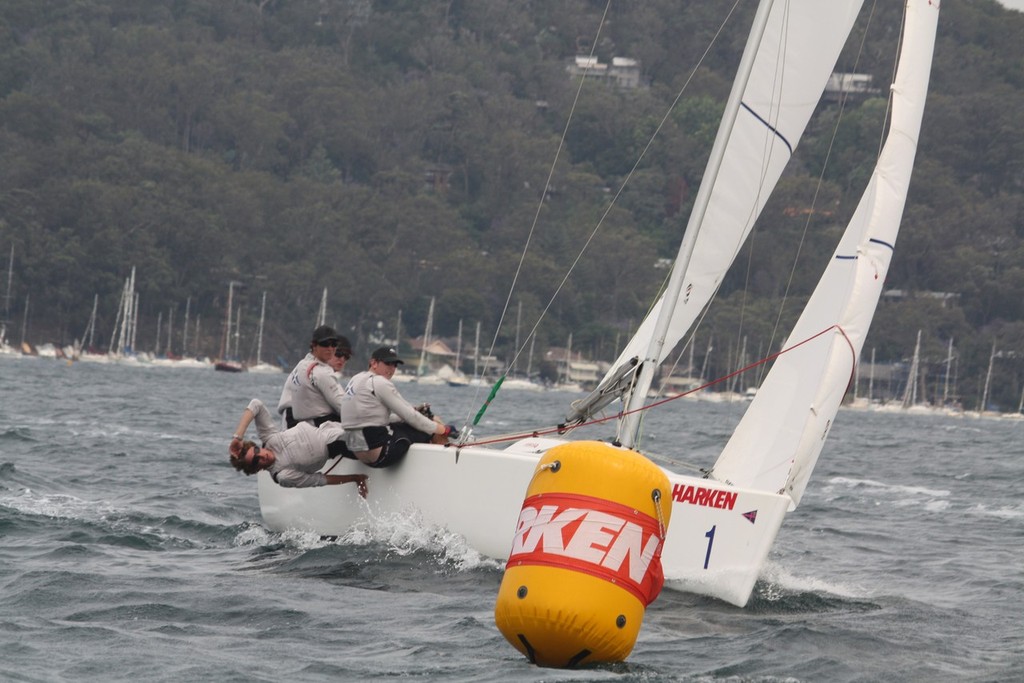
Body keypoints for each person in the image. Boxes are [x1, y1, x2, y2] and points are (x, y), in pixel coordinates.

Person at [340, 346, 458, 468]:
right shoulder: (380, 382)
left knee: (422, 424)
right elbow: (412, 417)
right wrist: (444, 429)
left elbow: (373, 419)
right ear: (373, 363)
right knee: (431, 425)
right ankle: (447, 469)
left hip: (358, 452)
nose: (391, 369)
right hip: (379, 455)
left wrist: (412, 413)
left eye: (395, 365)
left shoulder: (356, 379)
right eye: (388, 363)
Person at [229, 397, 368, 495]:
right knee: (370, 439)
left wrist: (238, 437)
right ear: (256, 469)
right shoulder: (283, 475)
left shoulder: (269, 438)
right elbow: (320, 480)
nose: (262, 456)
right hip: (339, 446)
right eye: (255, 460)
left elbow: (256, 404)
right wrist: (355, 478)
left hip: (328, 425)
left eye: (257, 451)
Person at [277, 325, 352, 428]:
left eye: (347, 356)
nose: (342, 359)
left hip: (296, 420)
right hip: (294, 420)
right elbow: (342, 406)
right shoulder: (319, 371)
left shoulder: (304, 364)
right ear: (314, 346)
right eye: (339, 354)